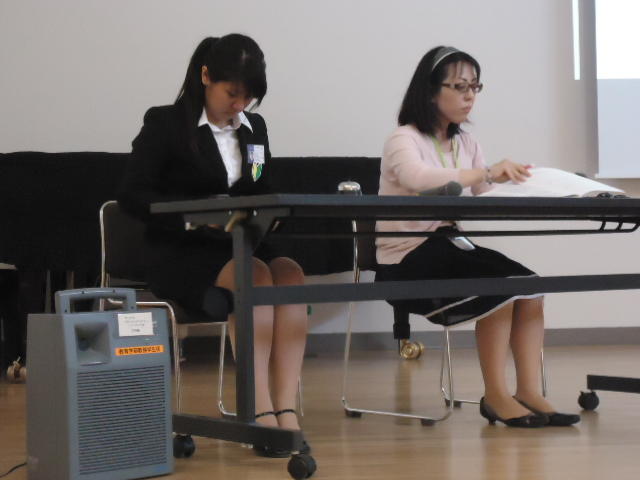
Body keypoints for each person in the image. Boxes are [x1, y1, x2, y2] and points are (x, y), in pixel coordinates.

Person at [118, 34, 309, 454]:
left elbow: (260, 184)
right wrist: (194, 216)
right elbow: (133, 194)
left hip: (239, 240)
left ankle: (286, 407)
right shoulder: (166, 123)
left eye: (248, 97)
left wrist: (265, 213)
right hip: (183, 248)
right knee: (254, 275)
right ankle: (258, 411)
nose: (239, 105)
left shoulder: (255, 129)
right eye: (232, 93)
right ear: (205, 76)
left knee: (291, 274)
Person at [375, 46, 580, 428]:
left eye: (475, 87)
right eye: (459, 86)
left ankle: (529, 391)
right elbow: (419, 179)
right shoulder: (403, 139)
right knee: (500, 286)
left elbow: (487, 195)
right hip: (405, 257)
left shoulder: (466, 143)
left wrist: (544, 185)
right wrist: (485, 173)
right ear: (430, 91)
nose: (470, 96)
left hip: (449, 245)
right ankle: (496, 396)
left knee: (531, 287)